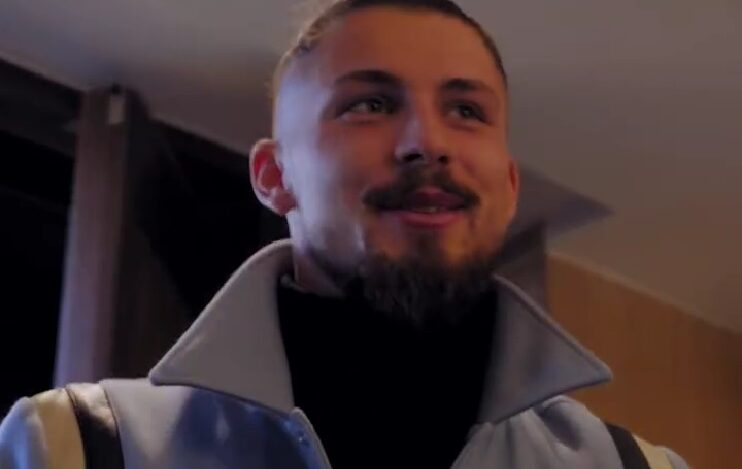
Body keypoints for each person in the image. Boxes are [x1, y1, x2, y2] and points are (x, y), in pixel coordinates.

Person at [0, 1, 688, 468]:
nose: (427, 142)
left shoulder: (634, 466)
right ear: (275, 176)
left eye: (466, 111)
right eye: (371, 104)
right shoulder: (79, 446)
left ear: (509, 188)